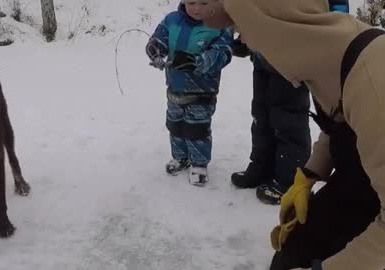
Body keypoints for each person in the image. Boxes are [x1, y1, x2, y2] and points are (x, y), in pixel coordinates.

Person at [200, 0, 385, 269]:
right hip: (364, 179)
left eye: (244, 28)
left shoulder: (373, 83)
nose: (245, 42)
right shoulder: (331, 52)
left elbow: (368, 109)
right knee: (296, 250)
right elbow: (344, 121)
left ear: (276, 27)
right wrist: (308, 176)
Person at [145, 0, 233, 186]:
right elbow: (159, 38)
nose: (197, 8)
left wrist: (197, 62)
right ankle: (180, 157)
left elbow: (222, 53)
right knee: (175, 125)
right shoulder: (172, 20)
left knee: (197, 128)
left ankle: (199, 164)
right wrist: (155, 49)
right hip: (175, 86)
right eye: (191, 2)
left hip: (203, 90)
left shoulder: (220, 24)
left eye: (203, 2)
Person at [230, 36, 311, 205]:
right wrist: (248, 37)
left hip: (292, 64)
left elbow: (333, 14)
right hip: (263, 60)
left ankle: (288, 179)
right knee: (261, 119)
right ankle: (263, 166)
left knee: (289, 123)